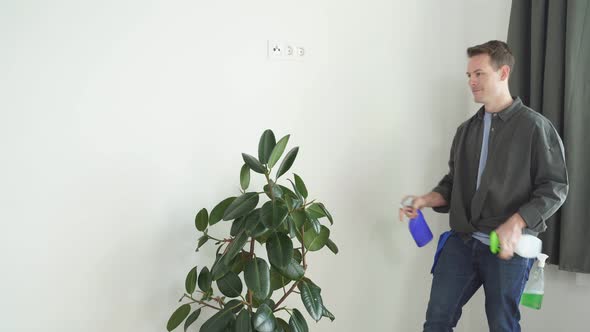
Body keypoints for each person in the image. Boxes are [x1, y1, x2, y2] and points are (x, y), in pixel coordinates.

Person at [399, 40, 569, 332]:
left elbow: (554, 187)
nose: (472, 82)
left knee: (502, 325)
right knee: (436, 322)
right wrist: (424, 200)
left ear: (503, 73)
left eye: (479, 74)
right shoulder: (466, 131)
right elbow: (453, 186)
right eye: (469, 76)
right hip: (462, 243)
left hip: (509, 249)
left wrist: (516, 223)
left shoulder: (535, 127)